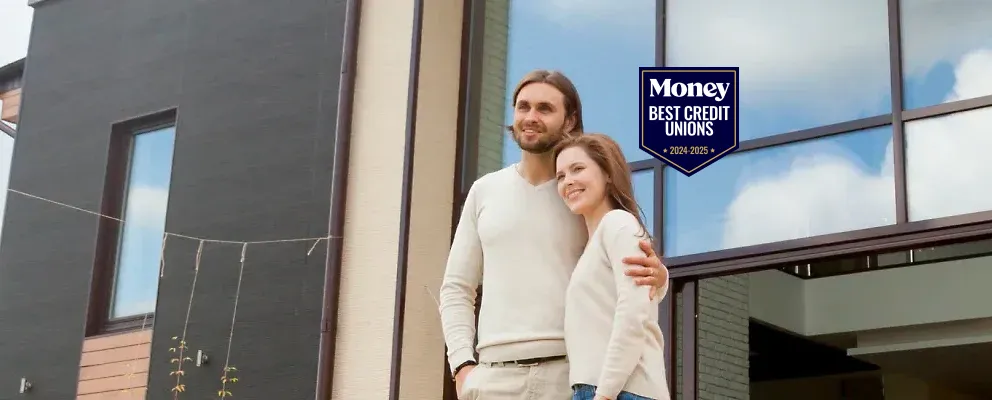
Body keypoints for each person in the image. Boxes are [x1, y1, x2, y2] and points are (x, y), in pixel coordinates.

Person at [439, 69, 667, 400]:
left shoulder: (583, 197)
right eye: (523, 107)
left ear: (570, 120)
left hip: (569, 376)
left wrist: (660, 279)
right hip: (491, 378)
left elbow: (629, 280)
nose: (531, 117)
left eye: (545, 108)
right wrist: (462, 366)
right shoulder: (484, 191)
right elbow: (457, 287)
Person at [553, 133, 670, 400]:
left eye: (577, 169)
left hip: (620, 390)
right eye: (560, 176)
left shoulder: (618, 224)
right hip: (597, 389)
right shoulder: (593, 244)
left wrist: (605, 393)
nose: (568, 181)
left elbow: (632, 313)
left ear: (607, 173)